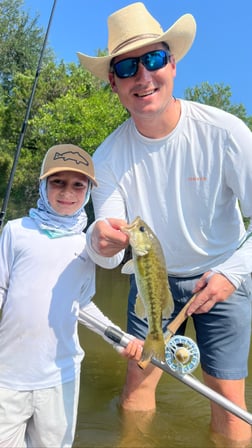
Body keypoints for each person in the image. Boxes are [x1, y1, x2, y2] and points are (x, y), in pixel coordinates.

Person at [77, 2, 252, 446]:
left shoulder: (226, 133)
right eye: (127, 66)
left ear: (173, 64)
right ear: (113, 82)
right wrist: (100, 241)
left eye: (153, 59)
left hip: (223, 273)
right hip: (153, 280)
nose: (143, 76)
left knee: (230, 405)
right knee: (136, 388)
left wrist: (232, 275)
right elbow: (109, 241)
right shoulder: (107, 158)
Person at [0, 143, 143, 448]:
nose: (67, 192)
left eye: (78, 185)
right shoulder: (15, 231)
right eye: (58, 183)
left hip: (60, 375)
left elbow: (82, 304)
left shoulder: (87, 246)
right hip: (7, 376)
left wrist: (121, 338)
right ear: (43, 185)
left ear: (89, 191)